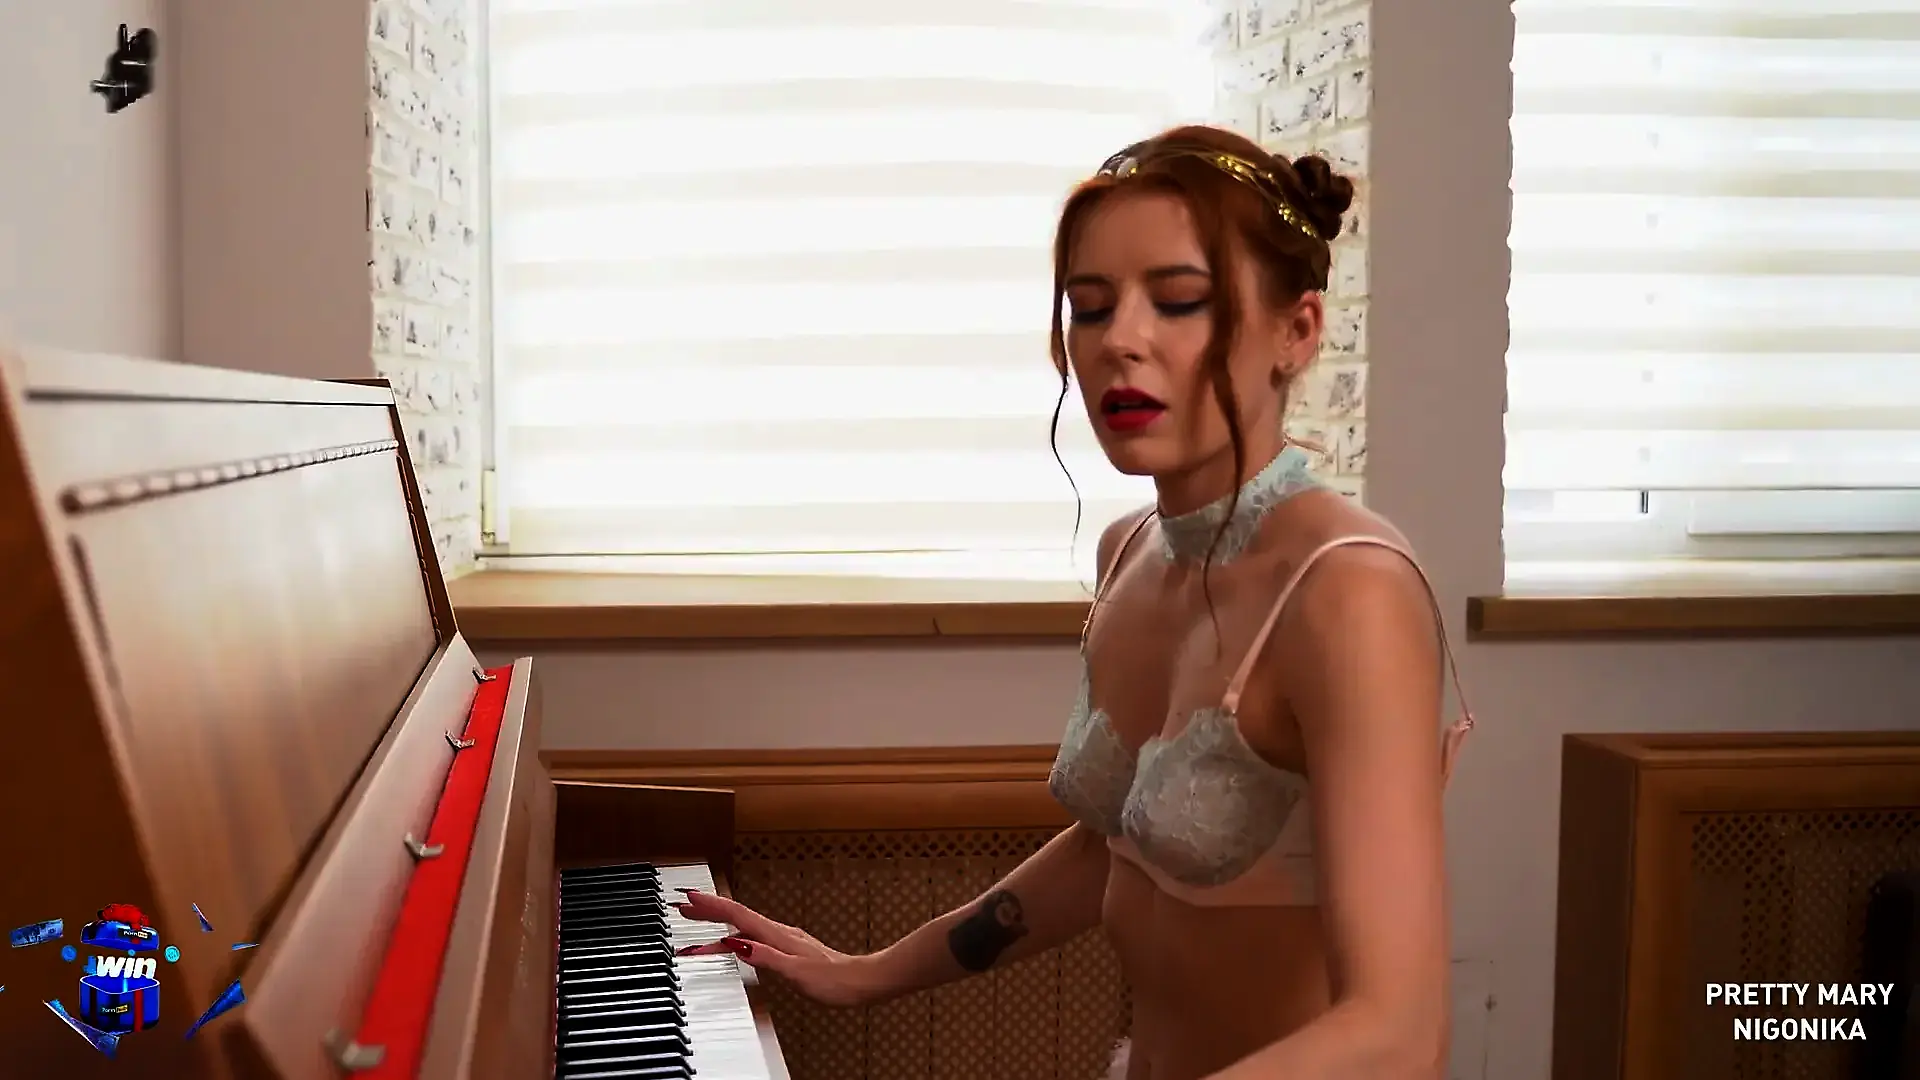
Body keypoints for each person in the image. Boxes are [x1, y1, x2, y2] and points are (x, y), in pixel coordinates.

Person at [675, 123, 1474, 1080]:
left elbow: (1399, 1033)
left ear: (1296, 332)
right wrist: (868, 971)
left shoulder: (1348, 592)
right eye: (1090, 309)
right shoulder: (1129, 549)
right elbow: (1115, 850)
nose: (1120, 341)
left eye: (1178, 301)